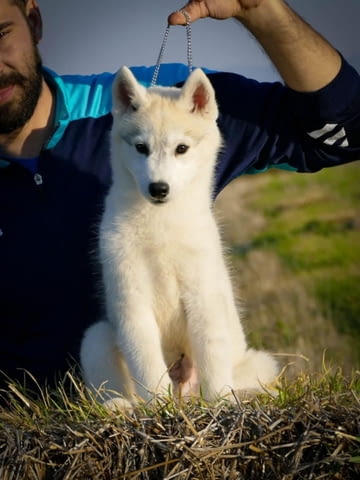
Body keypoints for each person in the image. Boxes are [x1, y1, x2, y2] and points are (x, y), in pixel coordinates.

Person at [0, 0, 359, 391]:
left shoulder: (160, 103)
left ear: (33, 20)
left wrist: (263, 11)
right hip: (47, 426)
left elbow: (344, 133)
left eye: (1, 36)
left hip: (192, 409)